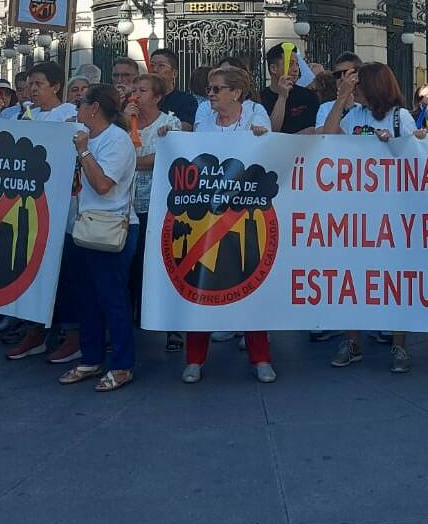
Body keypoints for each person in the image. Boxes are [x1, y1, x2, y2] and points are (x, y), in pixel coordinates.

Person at [184, 66, 275, 384]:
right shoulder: (202, 116)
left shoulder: (255, 113)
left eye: (217, 89)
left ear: (236, 93)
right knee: (201, 283)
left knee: (247, 281)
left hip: (245, 213)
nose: (210, 93)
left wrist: (264, 141)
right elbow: (193, 155)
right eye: (209, 88)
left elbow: (266, 155)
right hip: (206, 213)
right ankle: (194, 358)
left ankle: (260, 357)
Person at [327, 63, 412, 373]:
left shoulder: (399, 117)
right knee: (354, 275)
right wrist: (342, 98)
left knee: (394, 276)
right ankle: (352, 341)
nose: (355, 88)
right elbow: (329, 135)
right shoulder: (357, 115)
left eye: (359, 84)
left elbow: (414, 157)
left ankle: (399, 344)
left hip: (390, 209)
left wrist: (393, 143)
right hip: (356, 209)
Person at [59, 85, 139, 391]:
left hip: (112, 227)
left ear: (94, 108)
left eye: (81, 103)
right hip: (82, 226)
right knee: (86, 298)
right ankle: (90, 358)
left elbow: (104, 184)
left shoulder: (117, 140)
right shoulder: (84, 134)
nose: (77, 108)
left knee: (112, 299)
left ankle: (121, 365)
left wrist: (83, 152)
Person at [7, 61, 79, 360]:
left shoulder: (70, 116)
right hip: (30, 207)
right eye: (29, 84)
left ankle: (73, 334)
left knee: (67, 274)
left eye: (38, 84)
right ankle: (35, 330)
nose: (32, 89)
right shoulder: (27, 116)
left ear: (56, 87)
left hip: (62, 207)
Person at [125, 73, 182, 347]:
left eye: (143, 90)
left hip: (158, 206)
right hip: (128, 206)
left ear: (157, 97)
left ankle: (171, 328)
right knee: (131, 266)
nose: (135, 94)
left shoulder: (169, 124)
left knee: (160, 264)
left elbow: (164, 158)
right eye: (134, 89)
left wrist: (130, 163)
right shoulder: (123, 124)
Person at [321, 61, 408, 138]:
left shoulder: (400, 116)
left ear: (372, 86)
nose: (353, 88)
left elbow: (414, 150)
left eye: (357, 83)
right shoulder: (354, 114)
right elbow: (328, 137)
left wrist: (391, 142)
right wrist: (342, 97)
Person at [259, 44, 319, 134]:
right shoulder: (260, 99)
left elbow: (312, 131)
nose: (296, 69)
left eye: (297, 64)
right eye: (290, 64)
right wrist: (282, 97)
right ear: (273, 68)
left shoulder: (309, 96)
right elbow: (270, 133)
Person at [149, 49, 199, 126]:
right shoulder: (143, 98)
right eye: (152, 65)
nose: (154, 70)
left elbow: (187, 127)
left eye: (161, 65)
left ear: (174, 73)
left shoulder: (186, 100)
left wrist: (172, 128)